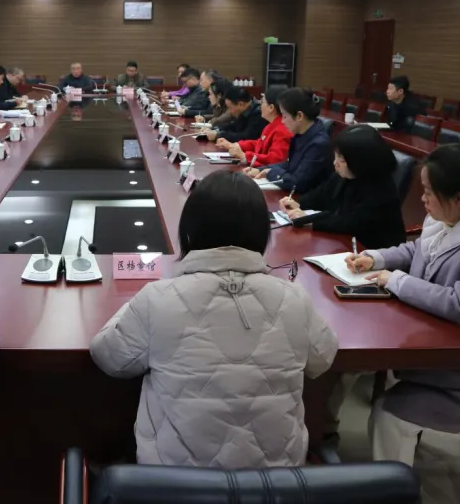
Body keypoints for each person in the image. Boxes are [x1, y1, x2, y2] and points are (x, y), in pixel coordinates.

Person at [90, 171, 338, 468]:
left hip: (174, 484)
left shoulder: (157, 298)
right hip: (275, 485)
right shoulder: (293, 298)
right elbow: (323, 358)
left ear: (190, 231)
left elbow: (109, 357)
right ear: (261, 234)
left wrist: (132, 305)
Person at [344, 140, 460, 467]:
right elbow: (422, 250)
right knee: (348, 362)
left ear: (459, 198)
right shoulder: (457, 212)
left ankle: (393, 488)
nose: (421, 198)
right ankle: (324, 434)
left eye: (428, 191)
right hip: (439, 338)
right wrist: (377, 258)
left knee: (389, 414)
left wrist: (397, 281)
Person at [279, 125, 406, 249]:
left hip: (373, 252)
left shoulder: (381, 190)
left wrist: (308, 219)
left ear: (361, 161)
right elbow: (322, 193)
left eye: (342, 159)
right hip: (344, 243)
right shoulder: (348, 173)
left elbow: (349, 222)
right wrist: (299, 203)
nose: (335, 163)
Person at [245, 87, 332, 193]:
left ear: (299, 116)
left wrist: (269, 172)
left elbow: (297, 183)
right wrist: (261, 169)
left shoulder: (318, 144)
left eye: (285, 116)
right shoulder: (300, 135)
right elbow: (289, 164)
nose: (282, 121)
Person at [221, 87, 292, 169]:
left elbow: (274, 160)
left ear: (271, 108)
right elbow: (259, 144)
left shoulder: (282, 130)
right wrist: (238, 145)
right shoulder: (271, 125)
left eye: (262, 102)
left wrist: (245, 156)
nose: (260, 105)